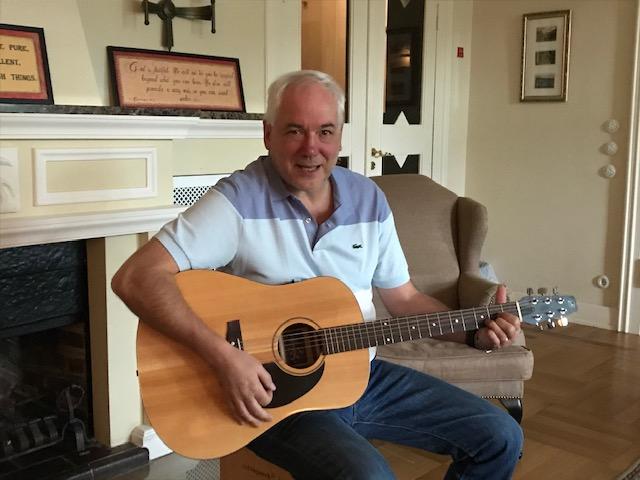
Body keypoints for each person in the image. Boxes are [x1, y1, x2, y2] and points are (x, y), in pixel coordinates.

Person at [112, 70, 523, 480]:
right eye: (295, 130)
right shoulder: (237, 200)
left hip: (364, 376)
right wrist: (224, 358)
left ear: (340, 136)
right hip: (266, 395)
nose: (312, 148)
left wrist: (472, 332)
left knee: (500, 435)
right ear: (268, 133)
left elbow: (405, 299)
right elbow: (135, 277)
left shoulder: (369, 200)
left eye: (325, 131)